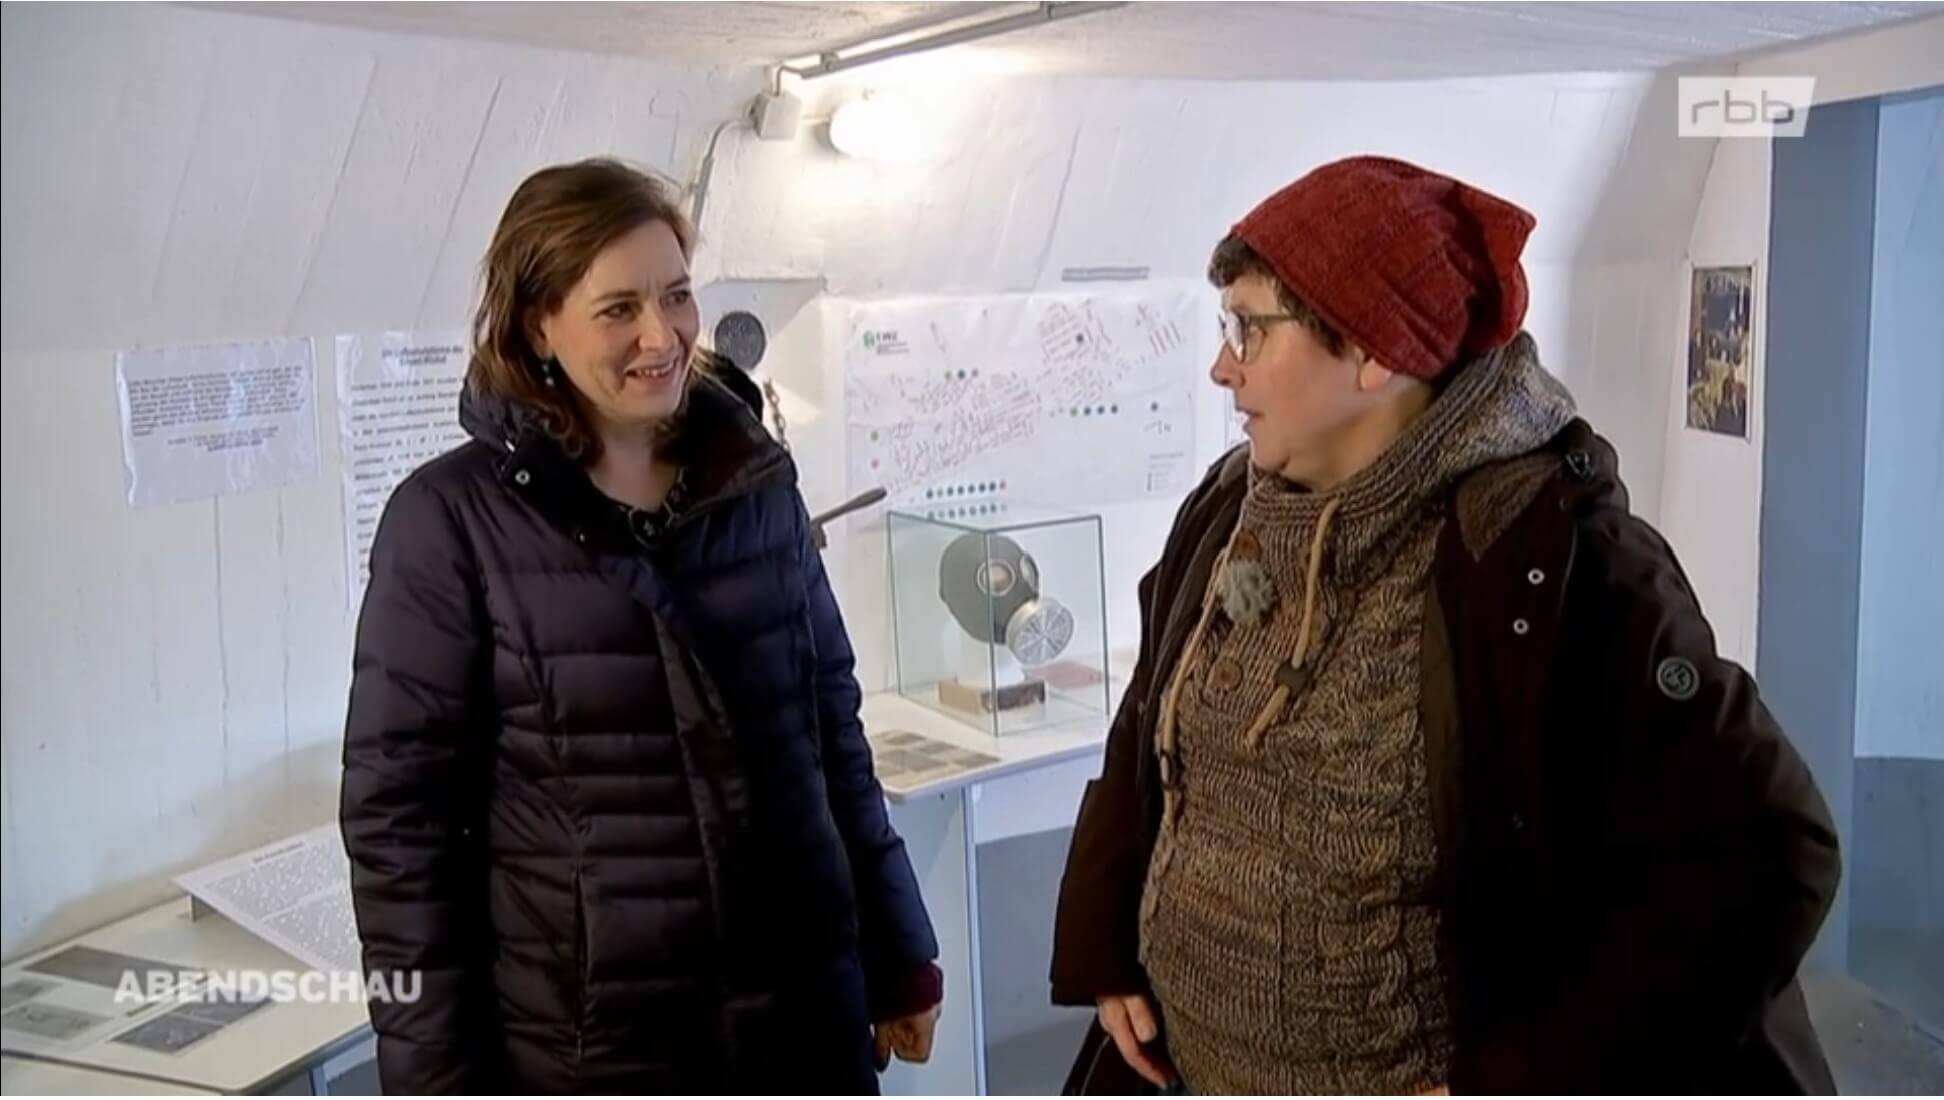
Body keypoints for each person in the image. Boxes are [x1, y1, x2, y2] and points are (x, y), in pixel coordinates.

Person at [1049, 156, 1840, 1094]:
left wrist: (1525, 1079)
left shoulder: (1549, 560)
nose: (1224, 364)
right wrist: (1106, 940)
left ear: (1376, 350)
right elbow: (1149, 729)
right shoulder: (1230, 513)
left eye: (1250, 328)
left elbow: (1769, 851)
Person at [340, 158, 942, 1093]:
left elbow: (829, 731)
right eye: (618, 308)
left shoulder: (754, 482)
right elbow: (400, 837)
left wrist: (900, 943)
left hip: (803, 1021)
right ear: (539, 323)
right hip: (597, 1050)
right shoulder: (447, 523)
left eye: (677, 296)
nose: (661, 336)